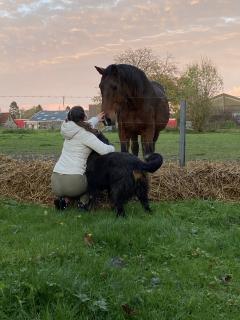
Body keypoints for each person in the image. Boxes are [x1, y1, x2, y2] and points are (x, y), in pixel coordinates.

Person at [51, 105, 115, 210]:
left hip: (56, 181)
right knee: (92, 179)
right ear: (84, 117)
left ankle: (65, 200)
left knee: (71, 185)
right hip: (73, 182)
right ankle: (83, 203)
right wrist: (112, 147)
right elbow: (104, 150)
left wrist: (96, 119)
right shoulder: (86, 134)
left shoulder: (68, 130)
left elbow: (84, 125)